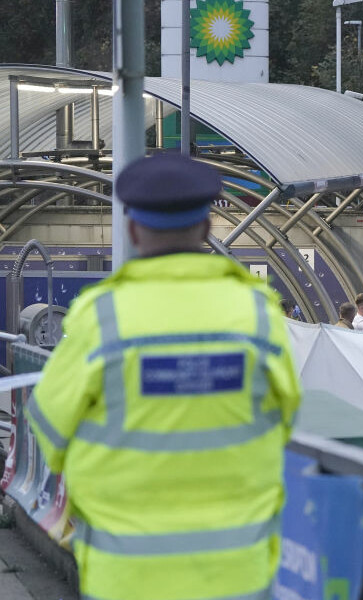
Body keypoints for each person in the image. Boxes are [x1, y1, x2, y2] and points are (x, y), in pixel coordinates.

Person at [26, 153, 302, 600]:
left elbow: (48, 430)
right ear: (208, 228)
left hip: (127, 580)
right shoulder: (256, 313)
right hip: (238, 575)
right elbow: (286, 416)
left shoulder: (101, 318)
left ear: (132, 229)